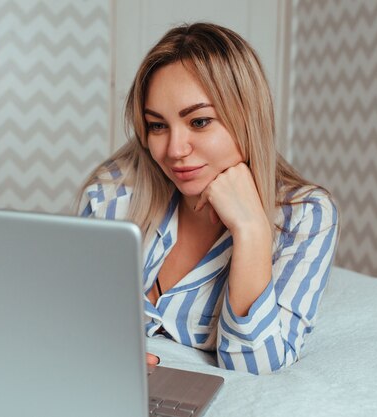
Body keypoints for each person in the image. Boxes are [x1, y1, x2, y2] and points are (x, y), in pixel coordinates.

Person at [75, 22, 339, 375]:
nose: (174, 150)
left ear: (247, 118)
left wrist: (251, 229)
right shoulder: (113, 193)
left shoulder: (304, 216)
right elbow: (74, 317)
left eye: (199, 122)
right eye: (157, 125)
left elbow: (255, 366)